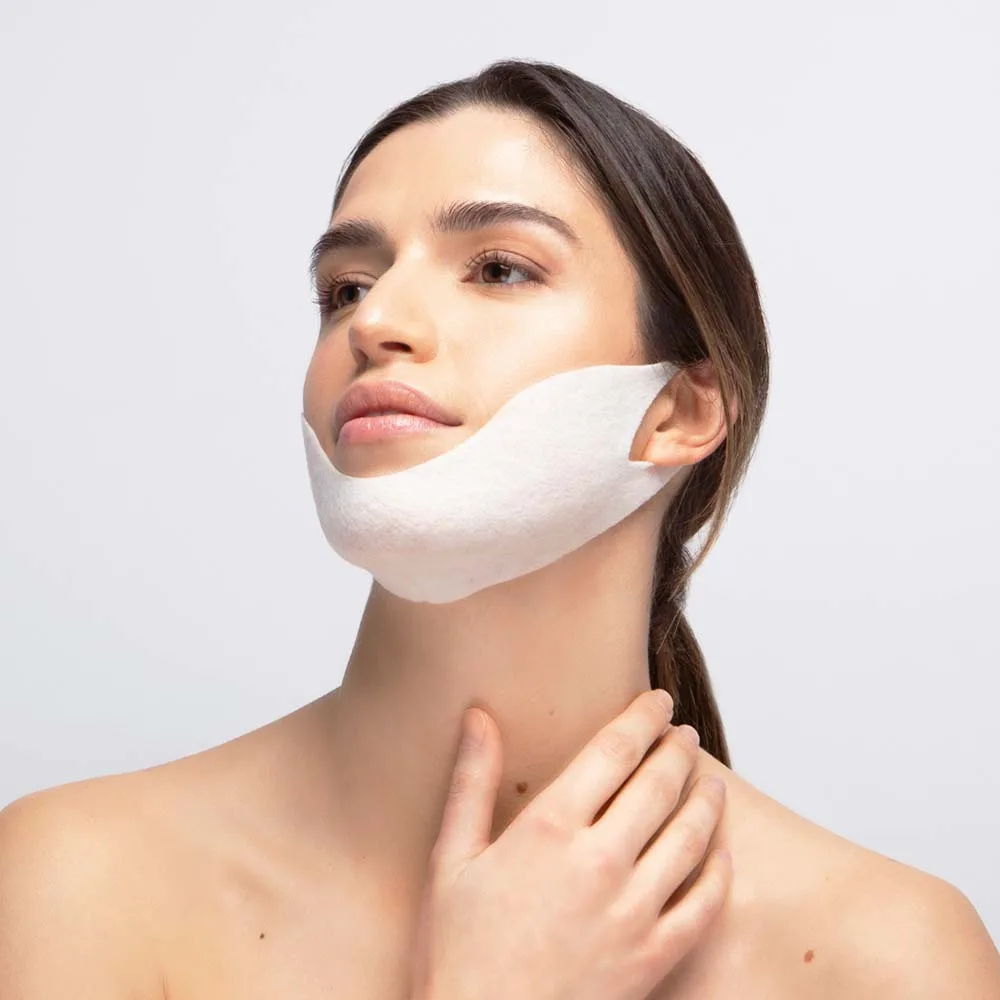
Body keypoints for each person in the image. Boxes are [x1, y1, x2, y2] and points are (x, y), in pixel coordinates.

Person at [1, 58, 998, 1000]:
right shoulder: (75, 880)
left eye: (499, 269)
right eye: (346, 287)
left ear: (678, 412)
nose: (374, 321)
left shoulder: (885, 954)